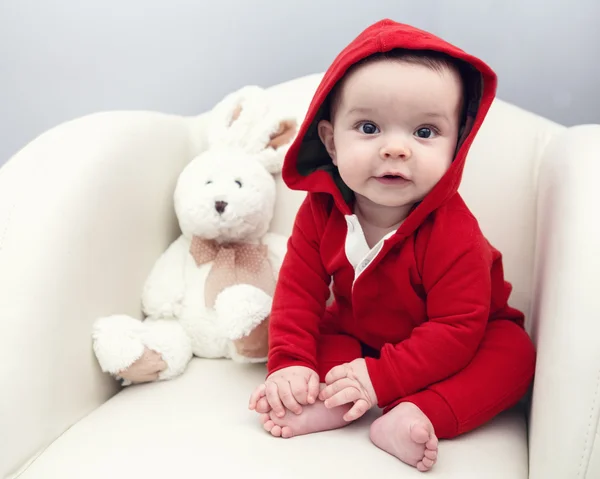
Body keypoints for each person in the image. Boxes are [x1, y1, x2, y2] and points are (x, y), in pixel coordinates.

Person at [248, 19, 536, 472]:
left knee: (513, 354)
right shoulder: (321, 212)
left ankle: (418, 413)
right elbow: (298, 293)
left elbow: (456, 329)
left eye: (424, 132)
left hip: (458, 340)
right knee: (316, 332)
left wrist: (380, 378)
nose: (396, 149)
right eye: (368, 127)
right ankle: (325, 399)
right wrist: (290, 363)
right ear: (331, 142)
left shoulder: (453, 231)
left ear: (455, 146)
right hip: (361, 334)